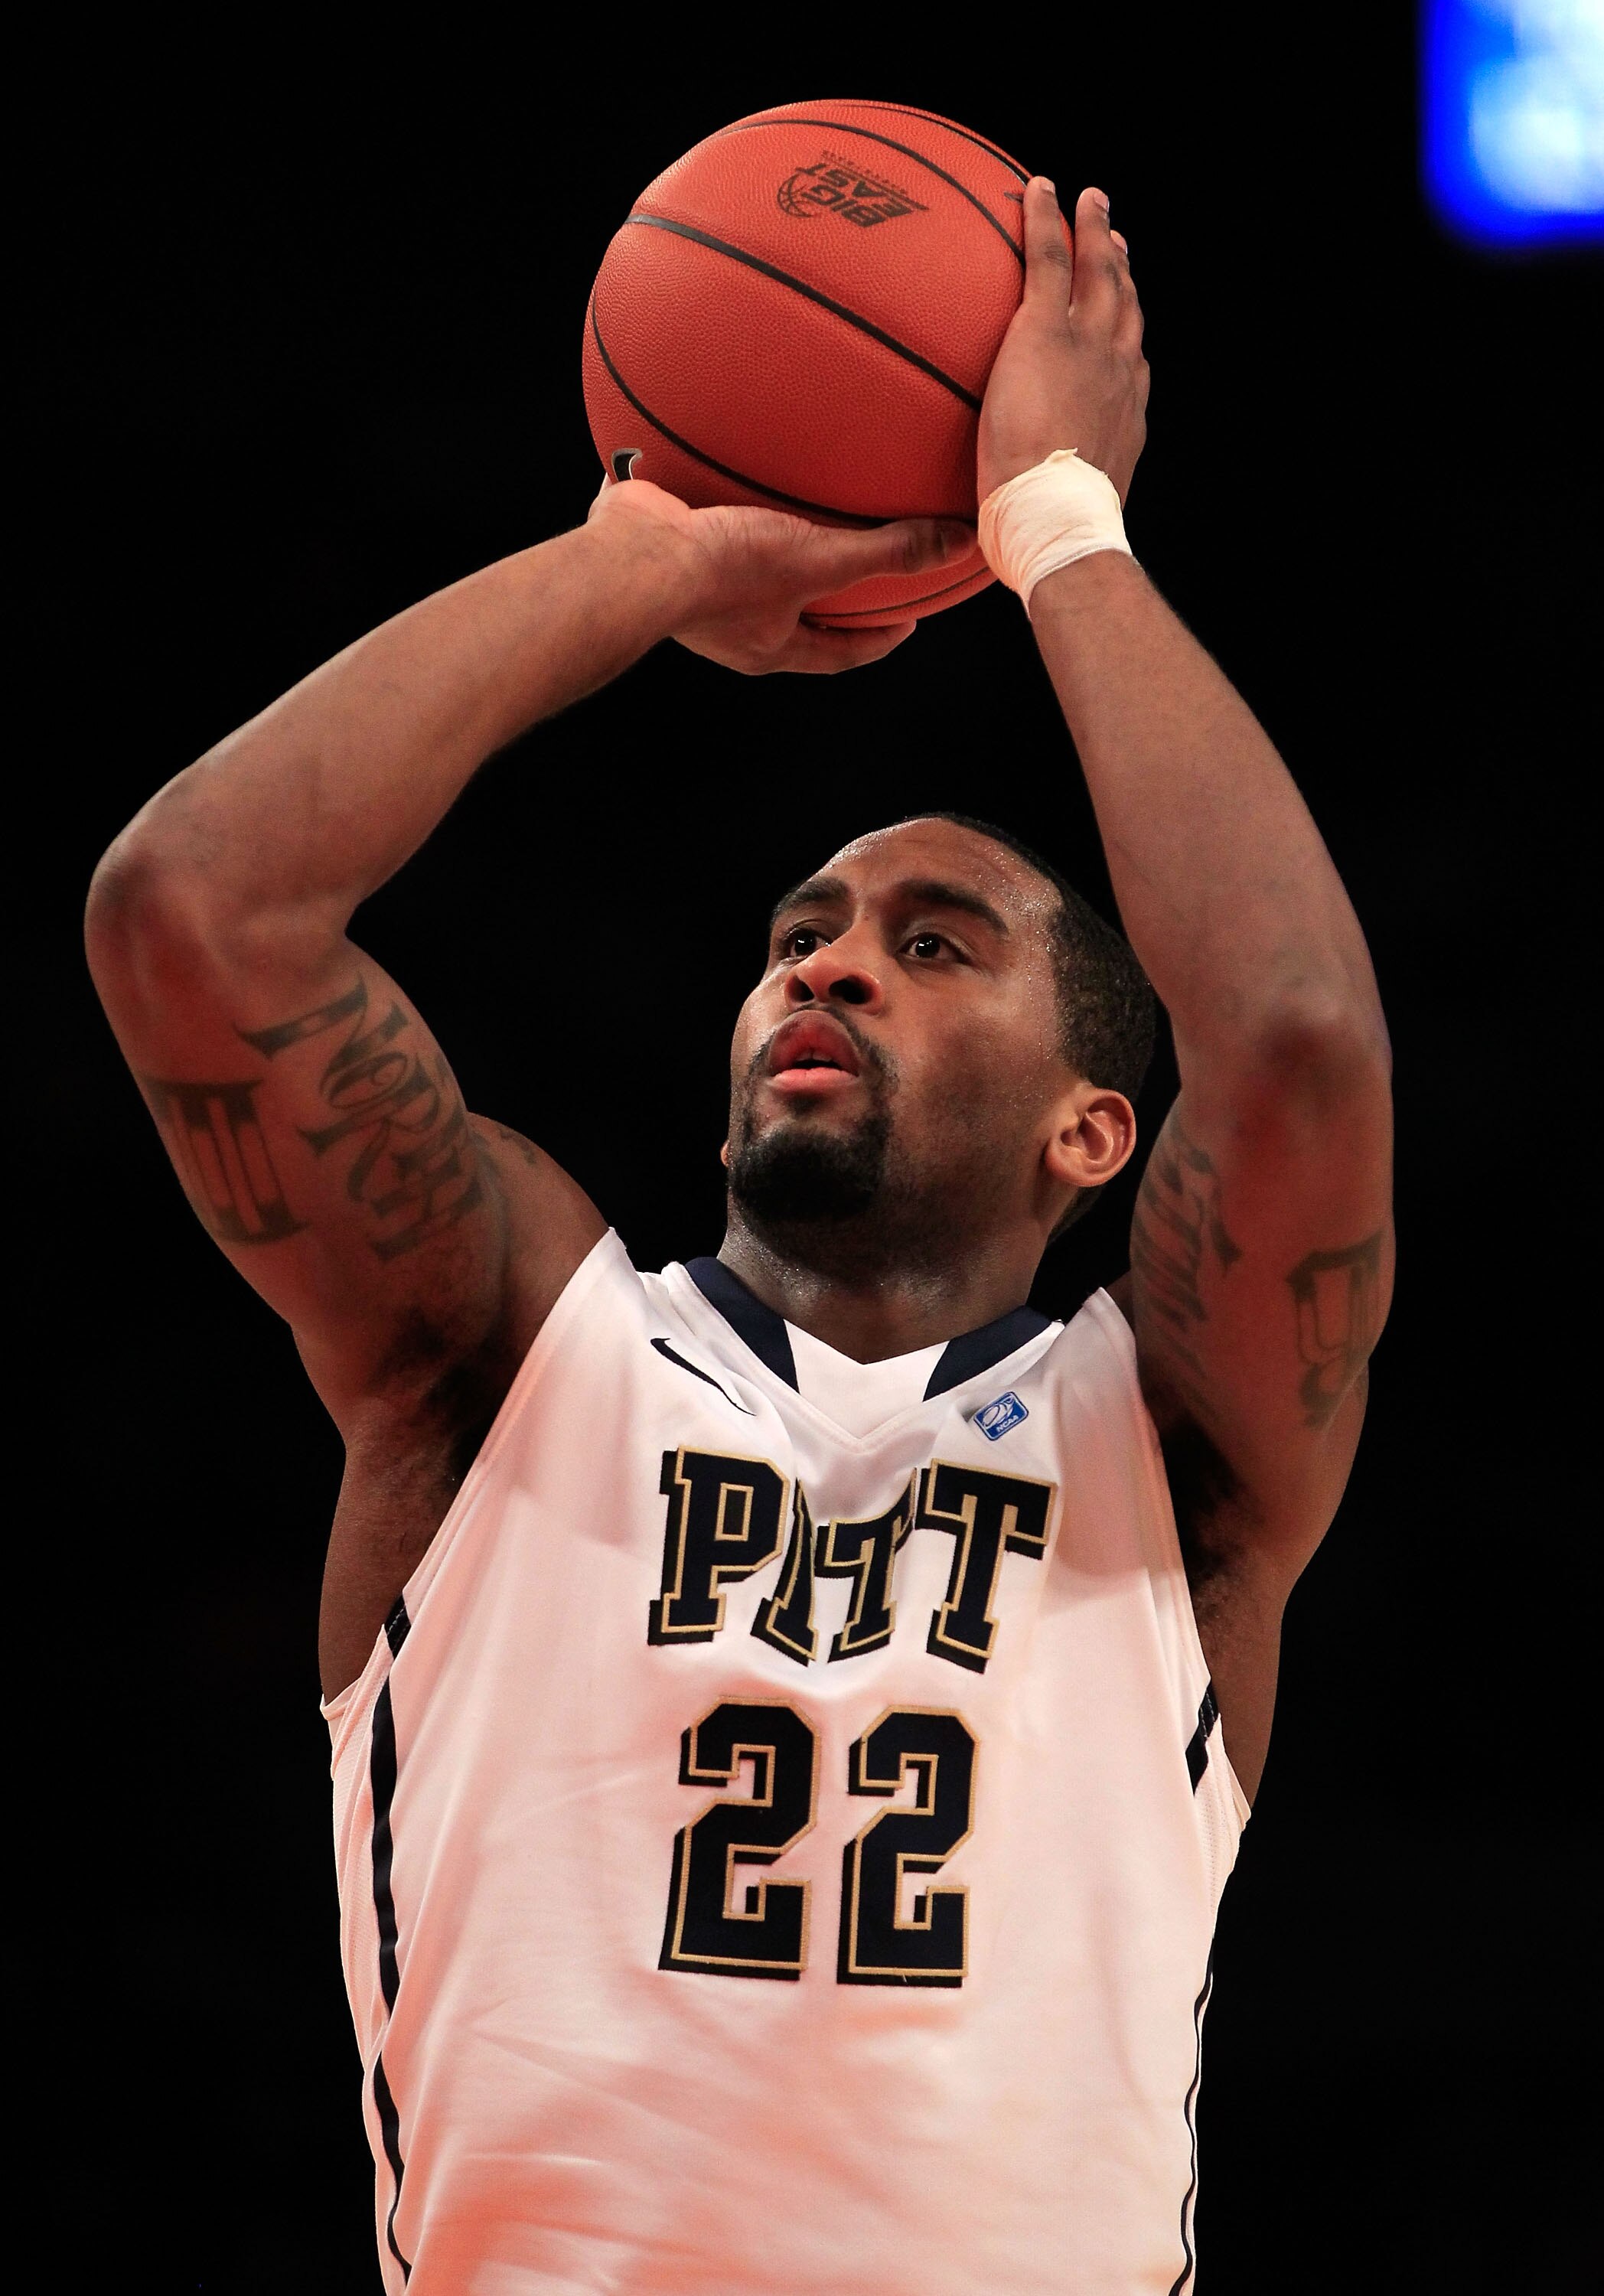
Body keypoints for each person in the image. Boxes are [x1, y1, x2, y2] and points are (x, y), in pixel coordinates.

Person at [86, 181, 1393, 2294]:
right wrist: (645, 560)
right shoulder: (505, 1345)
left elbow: (1302, 1040)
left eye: (931, 941)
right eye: (801, 935)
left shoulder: (1175, 1448)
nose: (831, 969)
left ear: (1095, 1128)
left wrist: (1057, 518)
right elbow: (190, 915)